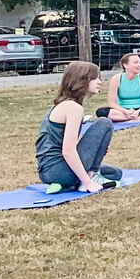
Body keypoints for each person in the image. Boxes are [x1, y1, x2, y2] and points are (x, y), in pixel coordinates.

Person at [35, 62, 122, 193]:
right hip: (59, 169)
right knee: (104, 123)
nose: (100, 81)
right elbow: (68, 151)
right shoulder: (73, 108)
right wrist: (88, 183)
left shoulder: (63, 104)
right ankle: (87, 177)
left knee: (115, 173)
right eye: (95, 78)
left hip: (48, 172)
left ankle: (66, 184)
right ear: (82, 80)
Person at [95, 51, 140, 123]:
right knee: (101, 112)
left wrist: (139, 112)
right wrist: (126, 111)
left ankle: (130, 119)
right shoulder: (116, 79)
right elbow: (112, 103)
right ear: (125, 65)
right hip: (122, 111)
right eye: (135, 63)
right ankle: (136, 119)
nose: (139, 65)